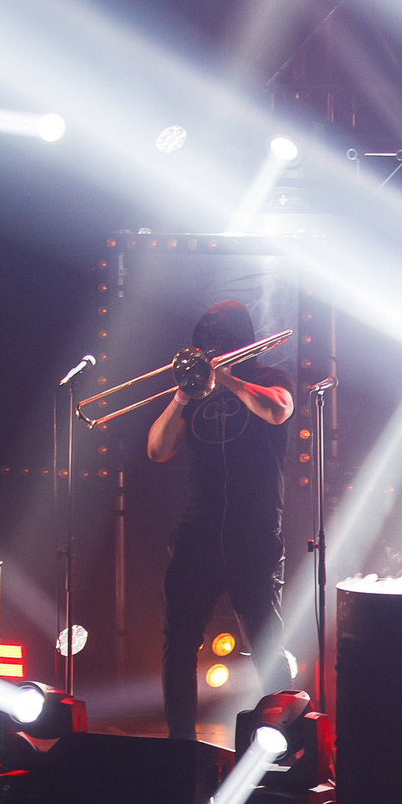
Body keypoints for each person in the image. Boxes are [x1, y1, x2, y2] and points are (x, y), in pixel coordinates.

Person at [148, 300, 294, 741]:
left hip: (253, 526)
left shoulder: (271, 377)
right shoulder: (194, 392)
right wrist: (182, 395)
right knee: (179, 641)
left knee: (264, 641)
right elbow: (157, 449)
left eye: (219, 331)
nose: (211, 340)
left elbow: (277, 410)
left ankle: (285, 738)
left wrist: (224, 378)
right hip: (199, 527)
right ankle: (180, 743)